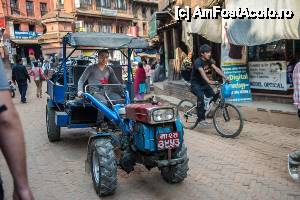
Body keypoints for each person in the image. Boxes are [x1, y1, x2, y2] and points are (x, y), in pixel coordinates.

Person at [0, 58, 34, 199]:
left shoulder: (14, 68)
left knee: (21, 88)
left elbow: (13, 75)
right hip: (23, 80)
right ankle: (24, 97)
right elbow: (5, 118)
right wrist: (22, 188)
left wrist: (13, 80)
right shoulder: (21, 67)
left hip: (18, 80)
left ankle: (23, 97)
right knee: (23, 88)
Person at [77, 50, 122, 129]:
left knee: (118, 99)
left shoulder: (109, 69)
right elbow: (81, 80)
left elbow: (116, 82)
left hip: (107, 93)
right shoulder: (91, 68)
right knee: (103, 102)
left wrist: (122, 90)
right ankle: (100, 123)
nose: (104, 59)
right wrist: (80, 91)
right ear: (98, 57)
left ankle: (114, 121)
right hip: (94, 93)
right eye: (102, 57)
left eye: (106, 57)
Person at [190, 44, 229, 126]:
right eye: (207, 52)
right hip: (195, 84)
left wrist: (225, 77)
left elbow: (216, 69)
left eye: (210, 52)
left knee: (213, 96)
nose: (209, 54)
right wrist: (209, 81)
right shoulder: (198, 62)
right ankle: (200, 119)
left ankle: (205, 108)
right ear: (202, 54)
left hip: (204, 84)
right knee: (200, 97)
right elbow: (202, 72)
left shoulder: (209, 60)